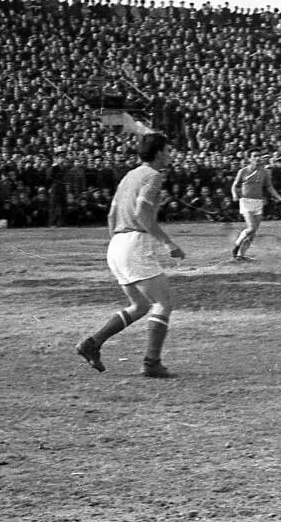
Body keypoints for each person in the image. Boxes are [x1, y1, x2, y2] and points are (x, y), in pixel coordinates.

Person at [75, 132, 185, 379]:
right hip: (134, 242)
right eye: (167, 150)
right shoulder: (154, 176)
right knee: (163, 302)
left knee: (141, 305)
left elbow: (112, 214)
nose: (170, 155)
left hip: (116, 243)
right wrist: (168, 243)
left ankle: (92, 343)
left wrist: (118, 241)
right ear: (158, 153)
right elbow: (141, 213)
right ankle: (151, 363)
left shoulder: (129, 176)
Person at [230, 151, 281, 261]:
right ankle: (236, 246)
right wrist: (234, 194)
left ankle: (240, 256)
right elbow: (234, 185)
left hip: (258, 202)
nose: (257, 158)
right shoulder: (243, 171)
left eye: (259, 156)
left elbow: (270, 187)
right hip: (246, 201)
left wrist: (280, 198)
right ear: (250, 158)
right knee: (251, 228)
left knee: (253, 232)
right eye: (255, 156)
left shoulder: (264, 172)